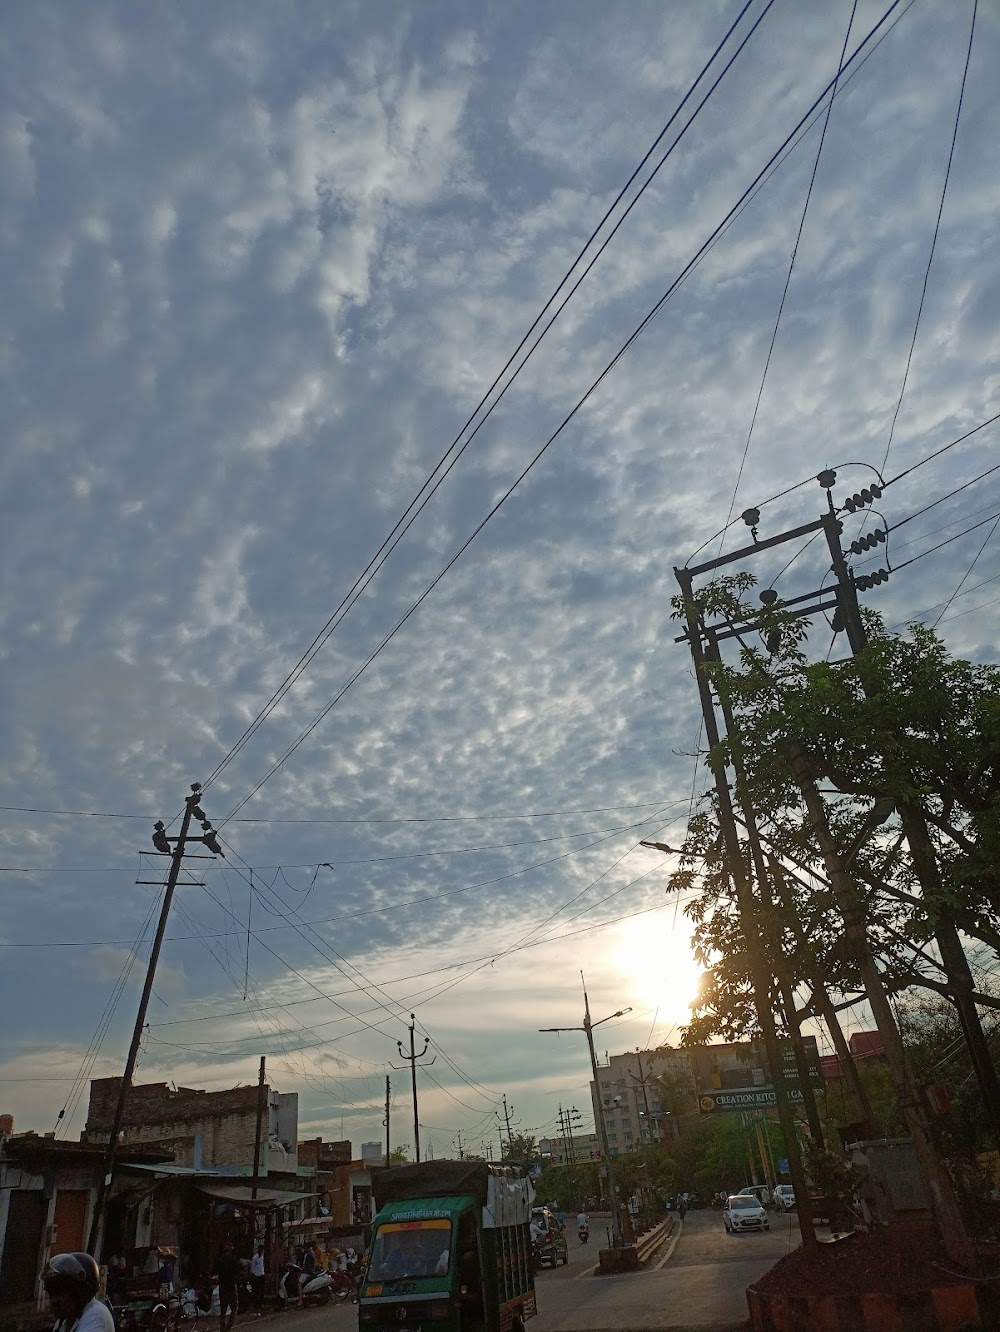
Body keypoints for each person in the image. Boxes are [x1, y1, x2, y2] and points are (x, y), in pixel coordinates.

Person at [44, 1253, 115, 1332]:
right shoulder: (64, 1321)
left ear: (81, 1292)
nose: (53, 1300)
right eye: (51, 1294)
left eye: (59, 1293)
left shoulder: (96, 1314)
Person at [216, 1242, 239, 1332]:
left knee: (223, 1309)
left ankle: (222, 1327)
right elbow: (237, 1272)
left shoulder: (220, 1261)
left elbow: (216, 1272)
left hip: (222, 1288)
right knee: (234, 1307)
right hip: (231, 1287)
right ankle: (229, 1327)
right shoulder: (233, 1260)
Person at [250, 1245, 265, 1316]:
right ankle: (255, 1306)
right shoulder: (254, 1258)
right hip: (257, 1276)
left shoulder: (262, 1257)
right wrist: (254, 1276)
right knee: (256, 1292)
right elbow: (252, 1269)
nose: (261, 1251)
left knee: (262, 1292)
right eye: (260, 1249)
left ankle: (260, 1305)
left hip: (262, 1275)